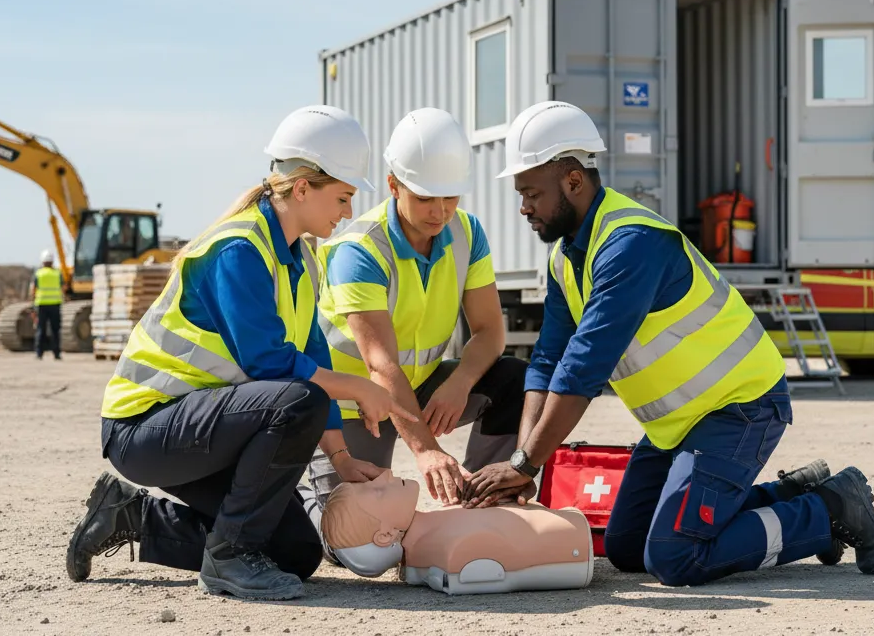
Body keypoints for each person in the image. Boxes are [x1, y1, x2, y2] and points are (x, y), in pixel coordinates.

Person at [462, 100, 874, 586]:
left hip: (740, 407)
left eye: (531, 193)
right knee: (628, 546)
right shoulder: (566, 257)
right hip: (680, 424)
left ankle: (828, 510)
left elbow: (582, 370)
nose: (523, 207)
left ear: (573, 181)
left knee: (676, 555)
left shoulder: (630, 243)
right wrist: (524, 461)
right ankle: (794, 496)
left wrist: (525, 464)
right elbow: (548, 361)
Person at [65, 105, 416, 602]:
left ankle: (131, 516)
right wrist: (360, 387)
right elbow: (269, 365)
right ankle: (230, 558)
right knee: (299, 399)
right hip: (144, 428)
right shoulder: (239, 249)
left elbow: (313, 354)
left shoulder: (300, 257)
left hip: (204, 427)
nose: (346, 212)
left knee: (294, 552)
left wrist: (341, 458)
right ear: (302, 188)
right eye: (342, 197)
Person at [306, 107, 527, 520]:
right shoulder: (359, 250)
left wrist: (460, 382)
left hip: (420, 390)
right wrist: (426, 450)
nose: (439, 212)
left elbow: (490, 332)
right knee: (355, 535)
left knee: (513, 378)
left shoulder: (467, 233)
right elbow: (381, 365)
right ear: (394, 185)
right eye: (425, 198)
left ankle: (484, 502)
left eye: (450, 197)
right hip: (355, 407)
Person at [311, 469, 594, 595]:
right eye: (378, 491)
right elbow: (477, 560)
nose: (385, 473)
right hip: (571, 540)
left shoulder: (432, 531)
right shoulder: (447, 548)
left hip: (563, 525)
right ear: (385, 536)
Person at [31, 249, 63, 360]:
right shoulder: (57, 273)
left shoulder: (38, 273)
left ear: (42, 261)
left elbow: (33, 289)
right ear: (52, 261)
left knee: (41, 329)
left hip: (41, 304)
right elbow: (63, 287)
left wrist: (32, 304)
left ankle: (39, 353)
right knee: (55, 330)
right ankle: (57, 353)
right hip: (55, 304)